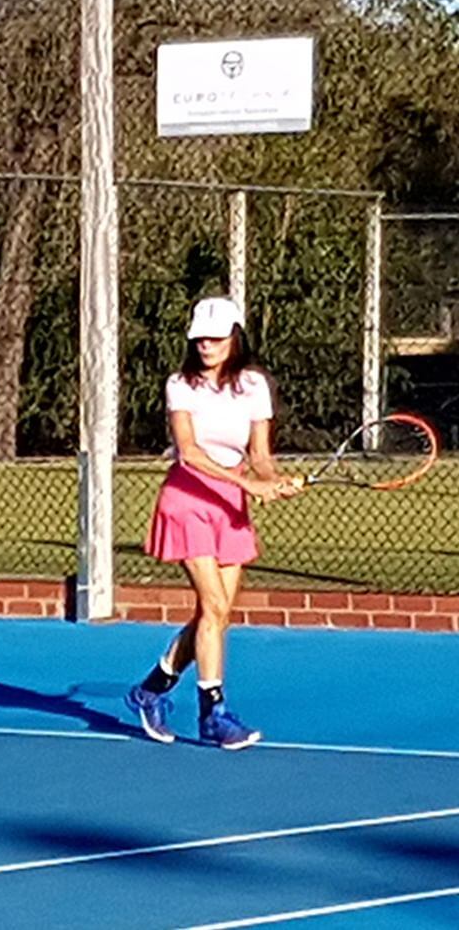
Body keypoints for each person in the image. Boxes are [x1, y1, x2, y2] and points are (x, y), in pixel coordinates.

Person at [125, 296, 300, 750]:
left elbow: (259, 455)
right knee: (215, 605)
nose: (206, 344)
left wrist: (272, 480)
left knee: (216, 615)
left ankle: (151, 689)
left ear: (234, 338)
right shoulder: (180, 385)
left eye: (216, 337)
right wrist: (247, 482)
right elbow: (189, 452)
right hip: (187, 500)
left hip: (229, 507)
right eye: (200, 337)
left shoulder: (254, 386)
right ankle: (212, 714)